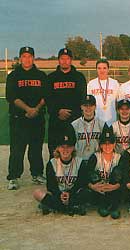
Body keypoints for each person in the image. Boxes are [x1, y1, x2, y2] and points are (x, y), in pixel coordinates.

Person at [6, 46, 47, 190]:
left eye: (30, 56)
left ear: (33, 58)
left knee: (36, 149)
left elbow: (45, 96)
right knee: (17, 149)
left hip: (37, 117)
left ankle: (36, 174)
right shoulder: (13, 76)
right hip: (19, 118)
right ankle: (13, 177)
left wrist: (36, 109)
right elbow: (11, 97)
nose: (27, 59)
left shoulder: (41, 75)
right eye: (24, 56)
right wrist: (28, 109)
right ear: (20, 58)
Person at [33, 124, 88, 216]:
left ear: (73, 148)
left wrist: (70, 194)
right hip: (58, 195)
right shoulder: (52, 163)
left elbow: (81, 183)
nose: (65, 150)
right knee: (37, 193)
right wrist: (60, 195)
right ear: (57, 148)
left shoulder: (80, 162)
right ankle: (72, 207)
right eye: (62, 147)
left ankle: (54, 207)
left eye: (68, 147)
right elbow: (51, 186)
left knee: (87, 193)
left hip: (73, 194)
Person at [46, 48, 87, 158]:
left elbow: (82, 98)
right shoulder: (51, 78)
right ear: (58, 60)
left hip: (74, 120)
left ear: (71, 60)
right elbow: (48, 99)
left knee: (74, 148)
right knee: (55, 148)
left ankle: (74, 173)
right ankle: (54, 173)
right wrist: (58, 111)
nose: (65, 61)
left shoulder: (79, 77)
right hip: (56, 120)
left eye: (67, 58)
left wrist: (72, 113)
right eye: (62, 58)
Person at [86, 126, 125, 219]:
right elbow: (86, 174)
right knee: (93, 175)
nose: (107, 146)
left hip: (114, 189)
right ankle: (103, 205)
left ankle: (114, 207)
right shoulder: (95, 157)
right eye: (105, 143)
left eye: (110, 143)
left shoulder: (119, 157)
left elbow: (124, 177)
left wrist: (116, 186)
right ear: (100, 145)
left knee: (117, 171)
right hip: (99, 190)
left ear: (114, 144)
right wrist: (92, 186)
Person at [71, 95, 105, 162]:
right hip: (79, 161)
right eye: (85, 105)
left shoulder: (102, 124)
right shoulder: (74, 125)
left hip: (97, 161)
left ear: (95, 107)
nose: (88, 108)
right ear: (81, 107)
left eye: (91, 105)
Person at [87, 59, 119, 125]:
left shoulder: (115, 83)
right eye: (99, 68)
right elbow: (88, 103)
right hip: (96, 121)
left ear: (108, 69)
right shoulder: (91, 84)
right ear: (96, 69)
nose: (102, 70)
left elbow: (118, 102)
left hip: (112, 120)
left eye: (104, 68)